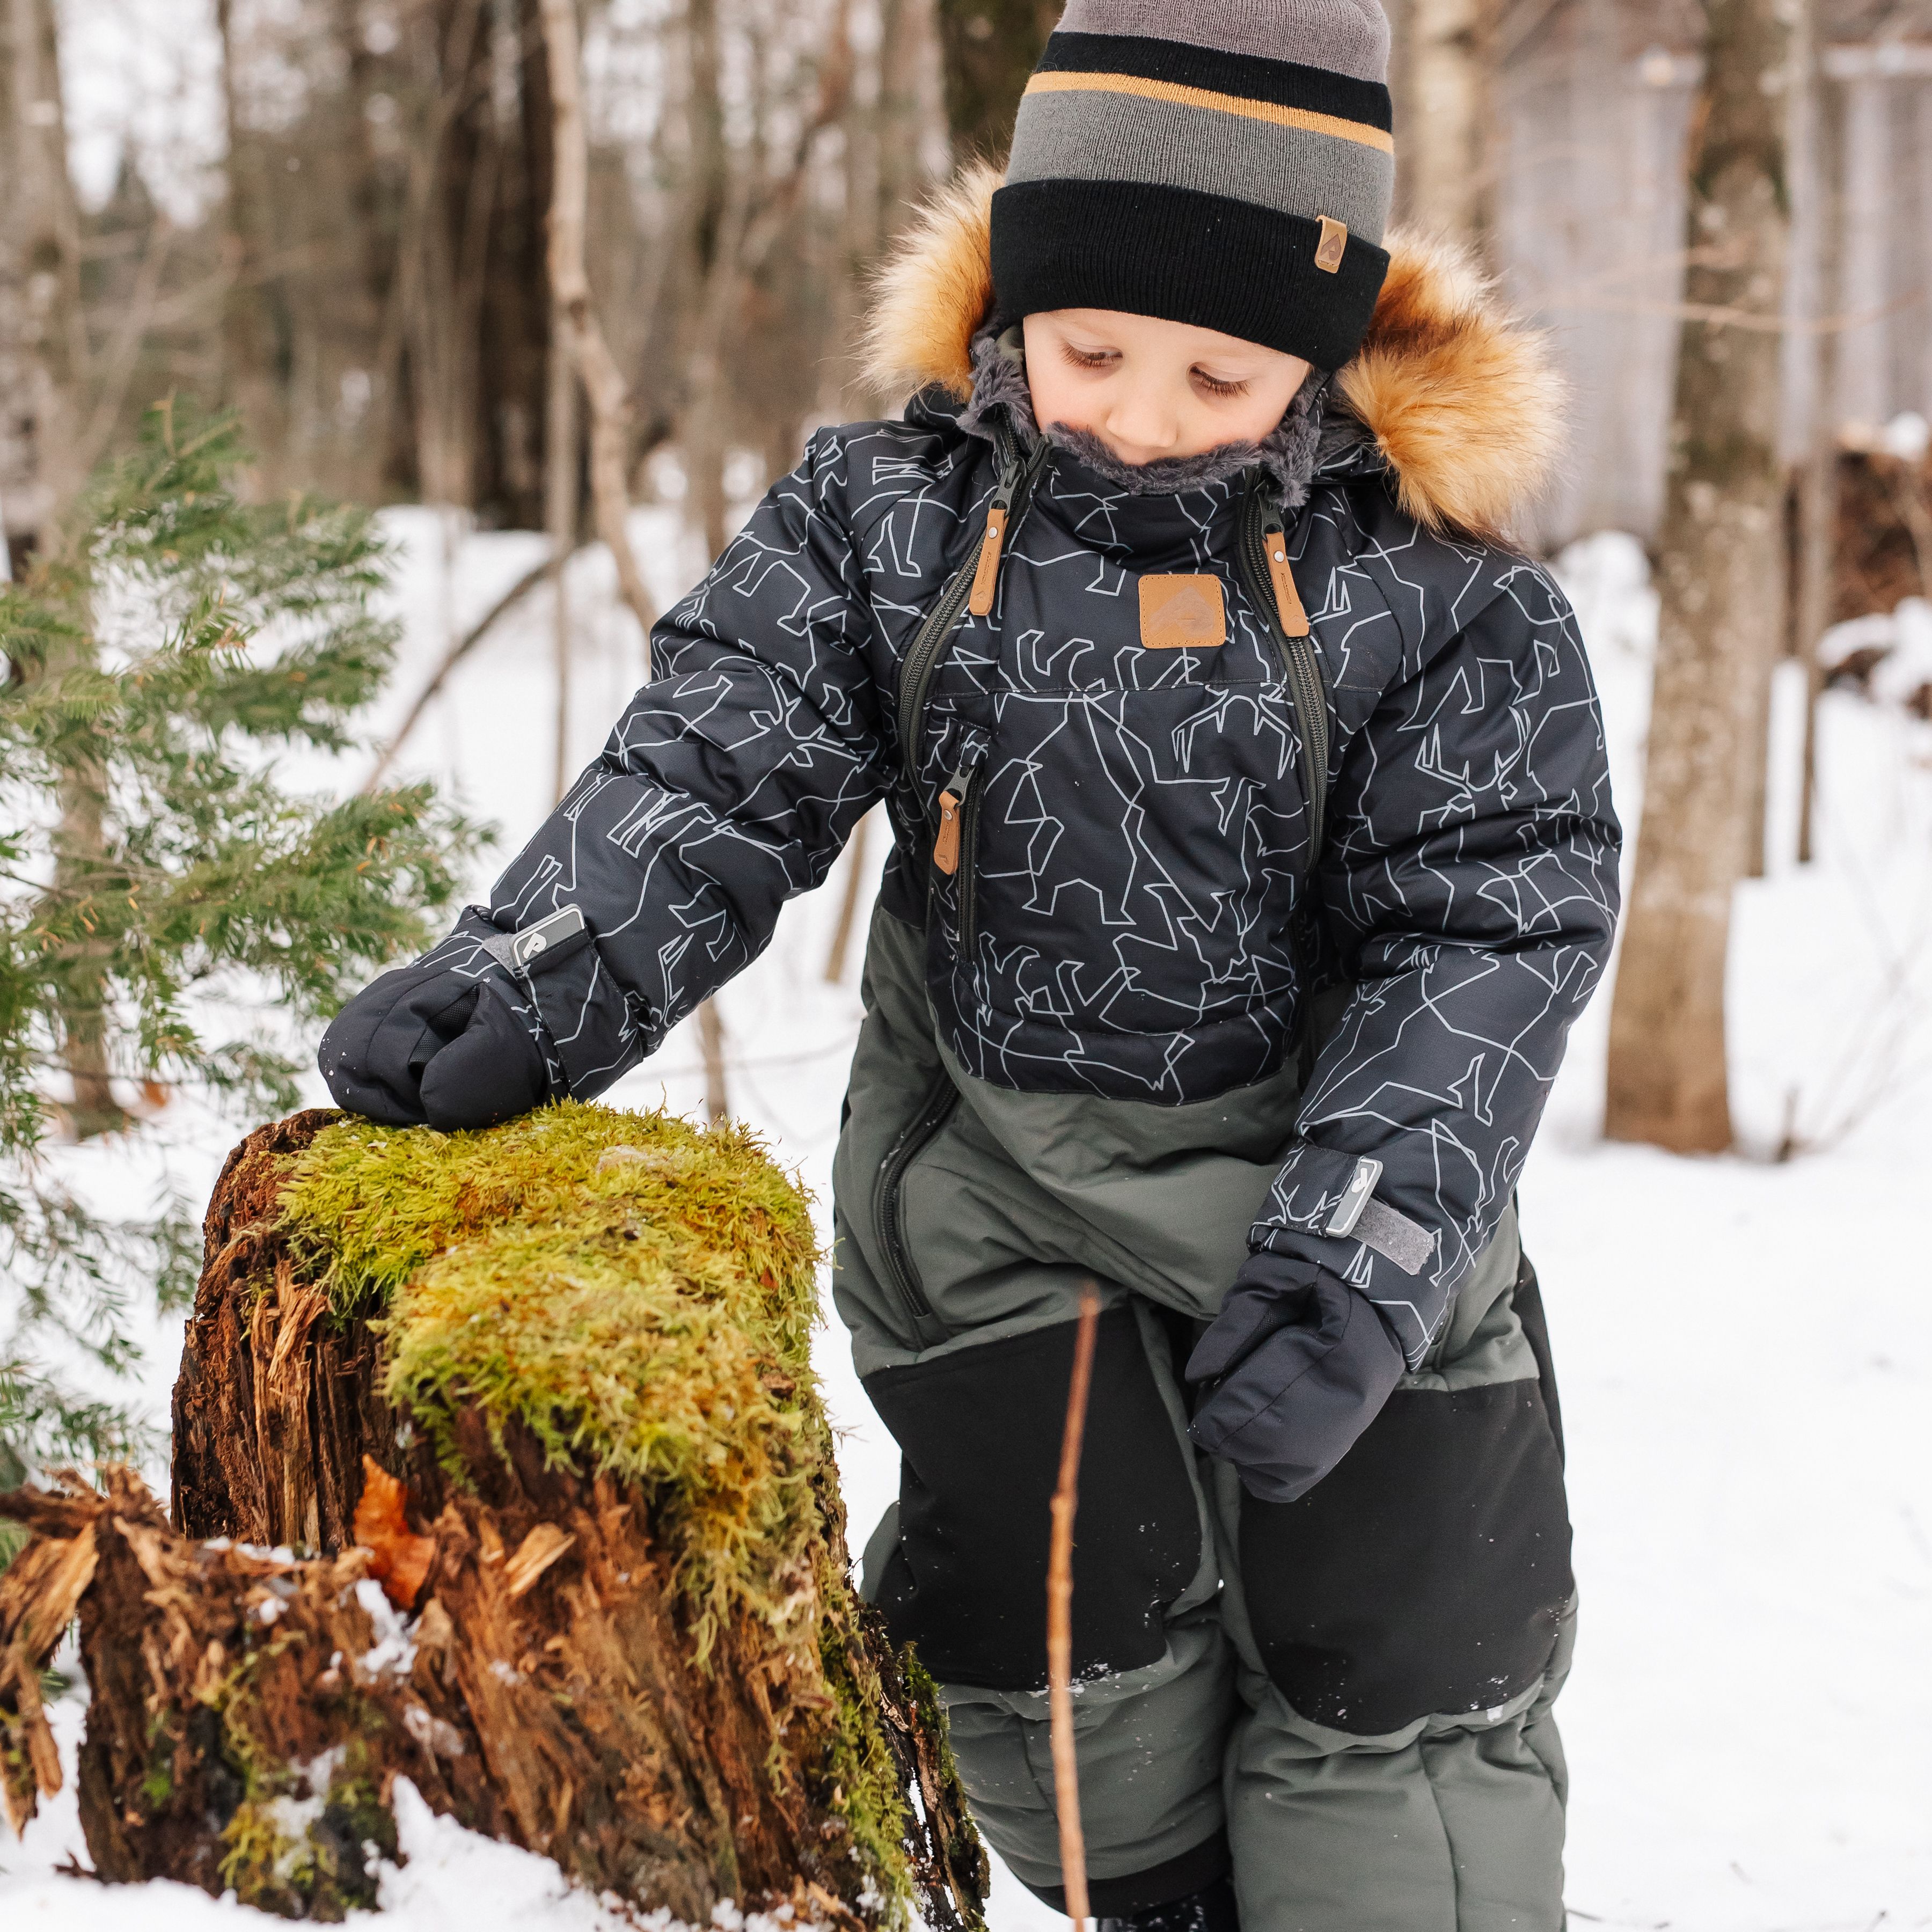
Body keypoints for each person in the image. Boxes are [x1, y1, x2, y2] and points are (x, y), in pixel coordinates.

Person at [319, 3, 1621, 1926]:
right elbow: (717, 759)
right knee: (1066, 1661)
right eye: (1090, 350)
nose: (1140, 414)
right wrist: (534, 974)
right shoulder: (893, 522)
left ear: (1328, 362)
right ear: (1010, 303)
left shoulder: (1439, 595)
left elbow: (1488, 926)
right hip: (1001, 1200)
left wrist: (1369, 1244)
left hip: (1334, 1205)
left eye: (1218, 374)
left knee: (1405, 1668)